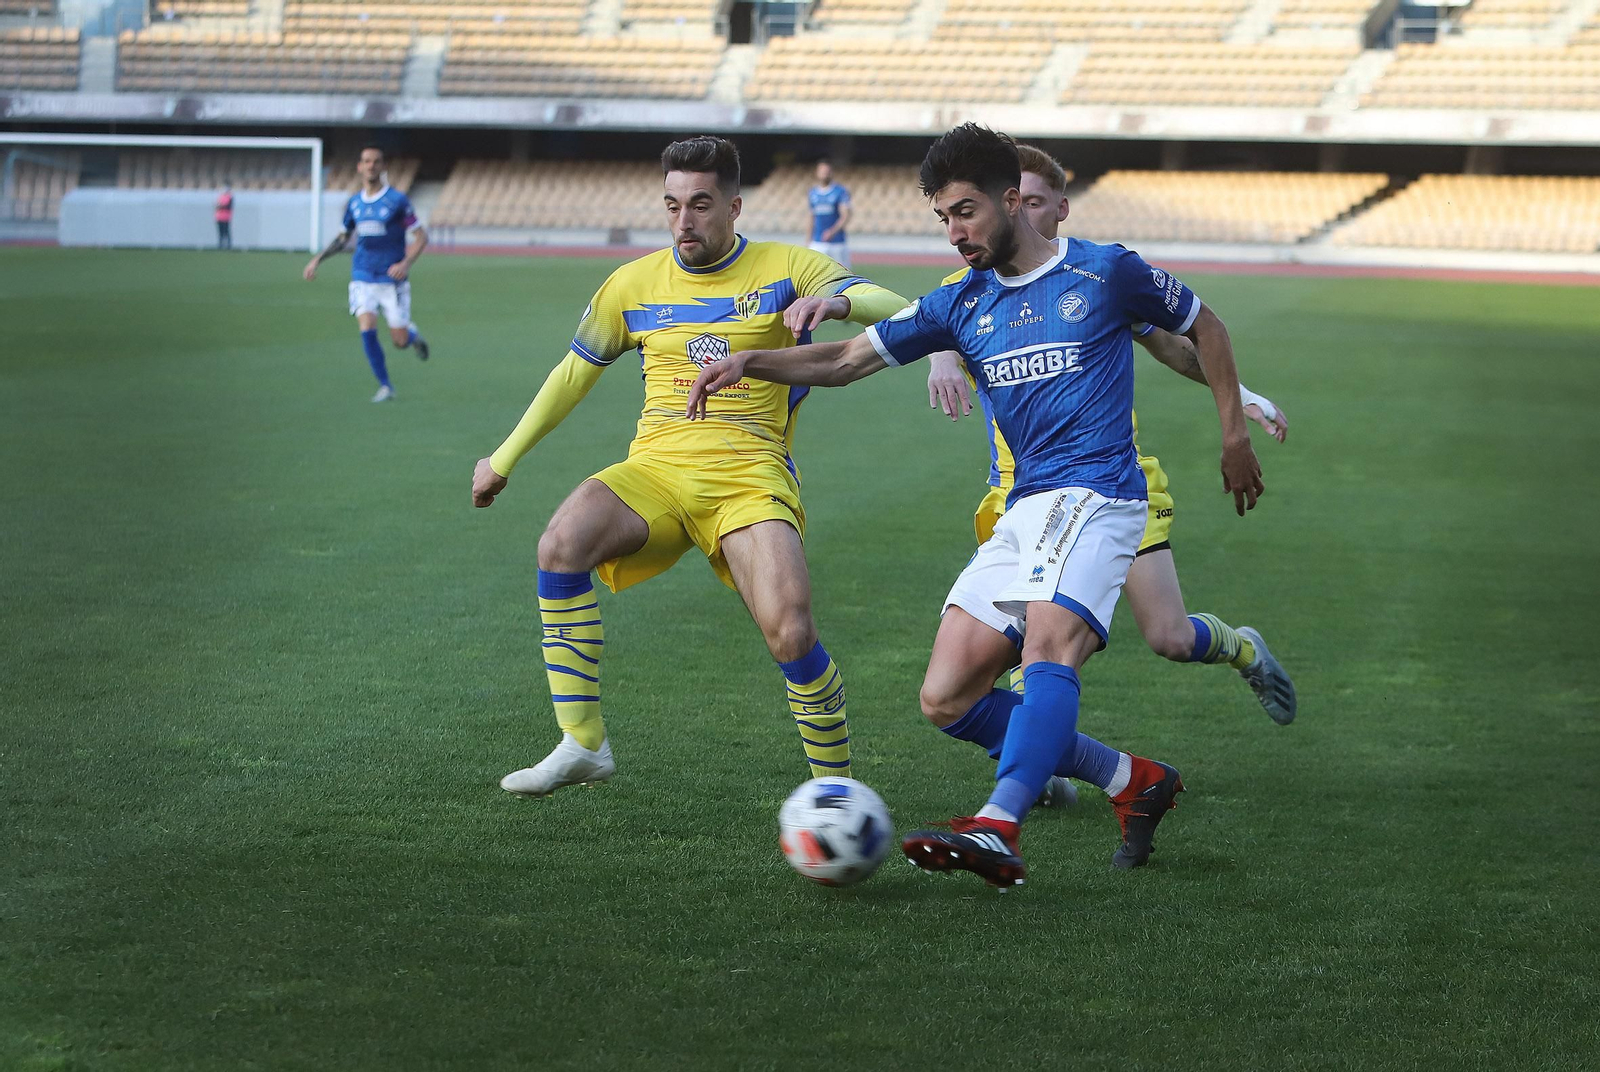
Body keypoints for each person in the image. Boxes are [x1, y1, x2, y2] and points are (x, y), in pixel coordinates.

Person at [686, 124, 1267, 887]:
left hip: (1100, 495)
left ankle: (1000, 822)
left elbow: (1205, 325)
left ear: (1011, 198)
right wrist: (752, 360)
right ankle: (1134, 779)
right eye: (943, 219)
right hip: (1026, 507)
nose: (956, 232)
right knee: (947, 696)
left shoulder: (1104, 272)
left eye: (966, 211)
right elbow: (845, 359)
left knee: (1047, 649)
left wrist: (1234, 435)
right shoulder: (959, 303)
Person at [471, 135, 908, 798]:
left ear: (733, 206)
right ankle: (582, 742)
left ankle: (837, 795)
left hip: (751, 476)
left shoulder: (787, 266)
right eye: (673, 205)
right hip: (656, 472)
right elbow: (571, 376)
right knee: (561, 542)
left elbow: (897, 305)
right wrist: (502, 461)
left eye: (700, 205)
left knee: (791, 631)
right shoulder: (631, 284)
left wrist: (838, 303)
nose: (684, 221)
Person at [923, 145, 1296, 733]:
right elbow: (928, 323)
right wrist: (942, 357)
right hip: (1015, 496)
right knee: (1021, 650)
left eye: (1039, 201)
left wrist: (1240, 396)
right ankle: (1044, 770)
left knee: (1169, 637)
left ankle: (1241, 647)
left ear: (1056, 208)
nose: (1026, 214)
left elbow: (1177, 343)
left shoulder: (1094, 278)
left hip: (1112, 484)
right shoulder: (968, 281)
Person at [302, 146, 431, 403]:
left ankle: (412, 338)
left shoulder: (397, 201)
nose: (371, 165)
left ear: (383, 167)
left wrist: (405, 264)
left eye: (376, 162)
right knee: (367, 327)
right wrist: (318, 259)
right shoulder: (354, 203)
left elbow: (420, 236)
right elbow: (343, 238)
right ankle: (385, 386)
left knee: (399, 340)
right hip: (362, 275)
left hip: (391, 281)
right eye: (366, 161)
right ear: (359, 167)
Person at [807, 160, 853, 267]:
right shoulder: (813, 193)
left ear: (831, 173)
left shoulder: (840, 191)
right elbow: (811, 217)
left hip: (836, 242)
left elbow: (846, 215)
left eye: (827, 171)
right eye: (822, 171)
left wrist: (832, 232)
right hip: (818, 241)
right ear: (817, 173)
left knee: (842, 274)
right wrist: (808, 239)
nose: (825, 174)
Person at [214, 183, 233, 250]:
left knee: (226, 232)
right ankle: (221, 245)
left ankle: (228, 245)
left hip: (226, 217)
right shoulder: (220, 197)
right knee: (221, 232)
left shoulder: (230, 197)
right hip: (219, 217)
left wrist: (221, 206)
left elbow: (228, 206)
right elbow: (216, 206)